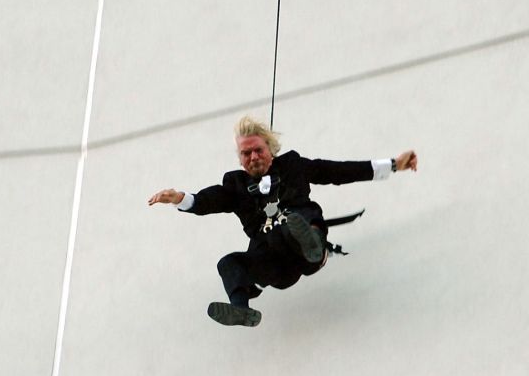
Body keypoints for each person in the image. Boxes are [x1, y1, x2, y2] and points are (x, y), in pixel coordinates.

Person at [148, 115, 419, 326]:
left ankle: (313, 246)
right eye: (246, 153)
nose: (253, 157)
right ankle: (241, 309)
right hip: (277, 268)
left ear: (270, 149)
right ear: (240, 159)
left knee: (291, 222)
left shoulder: (293, 166)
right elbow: (211, 200)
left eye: (257, 150)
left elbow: (337, 170)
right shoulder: (236, 186)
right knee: (229, 263)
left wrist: (393, 164)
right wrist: (180, 198)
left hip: (305, 251)